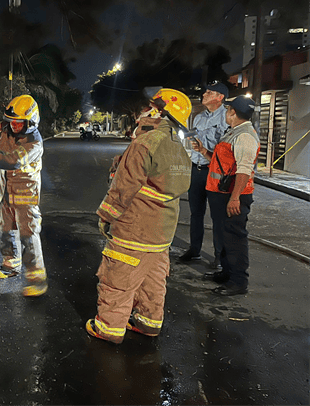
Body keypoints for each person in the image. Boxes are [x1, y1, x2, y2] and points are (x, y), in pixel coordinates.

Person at [85, 89, 192, 344]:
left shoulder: (145, 143)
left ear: (159, 111)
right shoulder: (179, 148)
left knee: (118, 277)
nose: (144, 110)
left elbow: (123, 187)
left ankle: (108, 328)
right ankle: (148, 322)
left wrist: (106, 216)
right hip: (162, 232)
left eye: (150, 106)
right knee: (153, 280)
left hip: (135, 228)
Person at [0, 95, 47, 297]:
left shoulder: (34, 144)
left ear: (31, 122)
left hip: (24, 193)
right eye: (11, 121)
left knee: (28, 233)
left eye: (18, 123)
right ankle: (10, 265)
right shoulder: (8, 128)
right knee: (5, 228)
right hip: (4, 188)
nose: (14, 126)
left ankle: (37, 279)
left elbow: (10, 161)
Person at [192, 95, 259, 296]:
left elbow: (244, 170)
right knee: (225, 235)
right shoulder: (234, 132)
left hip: (233, 195)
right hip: (222, 193)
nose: (227, 114)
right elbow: (223, 163)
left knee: (235, 238)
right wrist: (204, 151)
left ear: (232, 113)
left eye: (228, 110)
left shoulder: (245, 136)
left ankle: (238, 282)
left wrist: (235, 197)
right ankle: (226, 273)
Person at [179, 81, 229, 267]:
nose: (205, 94)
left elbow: (225, 148)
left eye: (210, 92)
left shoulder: (227, 117)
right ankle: (194, 250)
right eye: (205, 91)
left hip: (215, 171)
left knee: (217, 216)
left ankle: (219, 257)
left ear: (220, 97)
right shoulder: (199, 117)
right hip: (197, 169)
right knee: (196, 213)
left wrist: (204, 151)